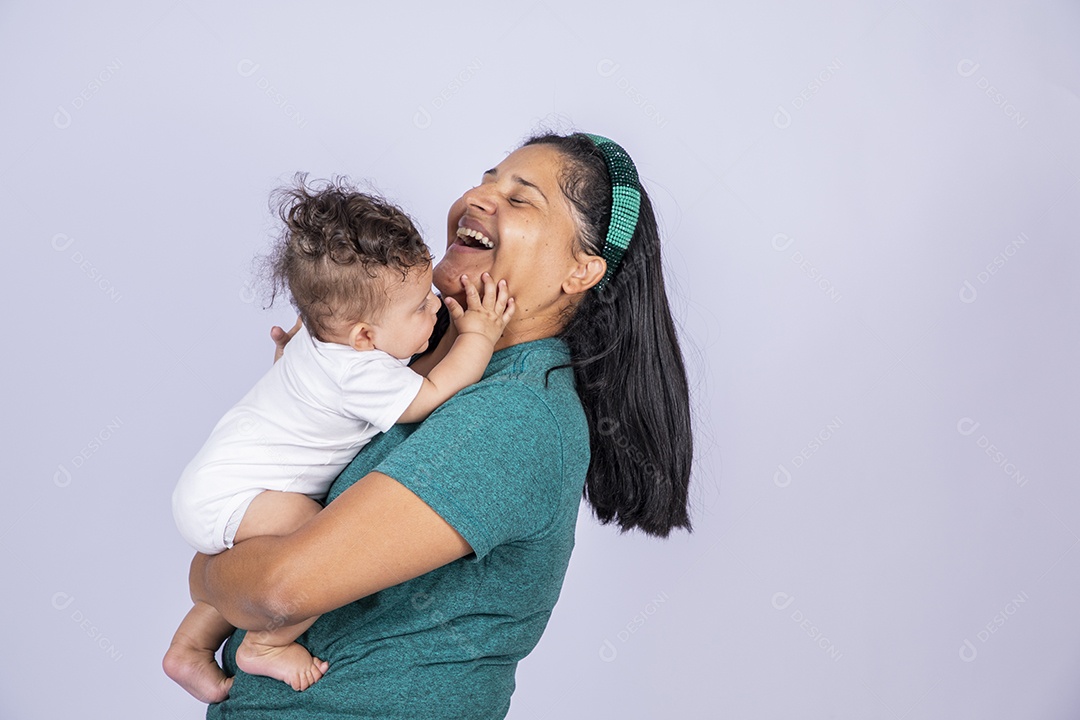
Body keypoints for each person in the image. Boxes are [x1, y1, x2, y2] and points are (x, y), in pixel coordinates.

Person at [187, 132, 694, 719]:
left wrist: (205, 572)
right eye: (486, 179)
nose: (479, 197)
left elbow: (281, 589)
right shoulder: (393, 363)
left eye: (521, 197)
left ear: (580, 269)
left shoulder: (515, 414)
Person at [163, 178, 515, 702]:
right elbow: (433, 393)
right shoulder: (361, 371)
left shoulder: (320, 334)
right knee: (318, 550)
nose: (437, 309)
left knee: (255, 558)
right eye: (420, 307)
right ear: (365, 338)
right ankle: (263, 643)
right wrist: (480, 335)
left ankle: (188, 649)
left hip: (214, 487)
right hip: (234, 493)